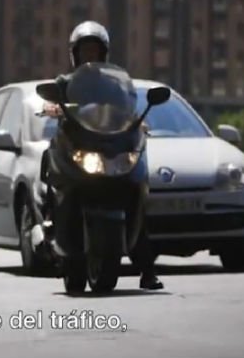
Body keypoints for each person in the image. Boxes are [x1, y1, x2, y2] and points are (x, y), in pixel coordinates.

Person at [43, 20, 164, 291]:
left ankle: (147, 269)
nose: (89, 55)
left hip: (110, 144)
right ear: (74, 54)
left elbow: (127, 106)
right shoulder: (65, 82)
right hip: (78, 141)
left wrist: (136, 121)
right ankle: (51, 218)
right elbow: (51, 100)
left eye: (94, 51)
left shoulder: (113, 82)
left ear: (103, 54)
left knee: (136, 193)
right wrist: (52, 108)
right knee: (51, 161)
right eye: (84, 50)